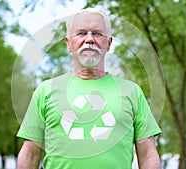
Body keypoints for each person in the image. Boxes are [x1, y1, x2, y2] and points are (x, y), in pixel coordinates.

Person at [16, 7, 161, 169]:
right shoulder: (45, 92)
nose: (90, 39)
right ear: (69, 43)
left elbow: (148, 154)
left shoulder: (132, 92)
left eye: (97, 33)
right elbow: (30, 154)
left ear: (109, 43)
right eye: (81, 33)